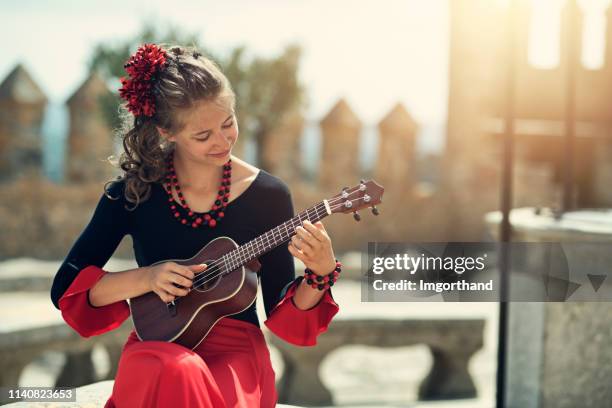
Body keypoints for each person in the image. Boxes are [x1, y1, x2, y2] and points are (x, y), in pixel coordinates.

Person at [50, 43, 342, 408]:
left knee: (183, 377)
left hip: (235, 356)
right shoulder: (132, 193)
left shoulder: (268, 194)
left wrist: (321, 272)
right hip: (158, 347)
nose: (222, 142)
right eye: (203, 136)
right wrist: (147, 279)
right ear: (166, 132)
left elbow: (283, 316)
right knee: (175, 371)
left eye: (228, 123)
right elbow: (66, 289)